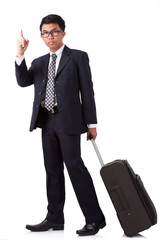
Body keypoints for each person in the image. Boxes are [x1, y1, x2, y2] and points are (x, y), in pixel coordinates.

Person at [15, 14, 106, 236]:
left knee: (75, 167)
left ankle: (94, 220)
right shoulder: (39, 62)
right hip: (47, 121)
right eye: (45, 33)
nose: (50, 36)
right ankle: (55, 218)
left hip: (70, 122)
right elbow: (23, 81)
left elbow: (87, 91)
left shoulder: (77, 57)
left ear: (63, 33)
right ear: (41, 36)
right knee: (52, 170)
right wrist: (20, 54)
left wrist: (91, 123)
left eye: (54, 31)